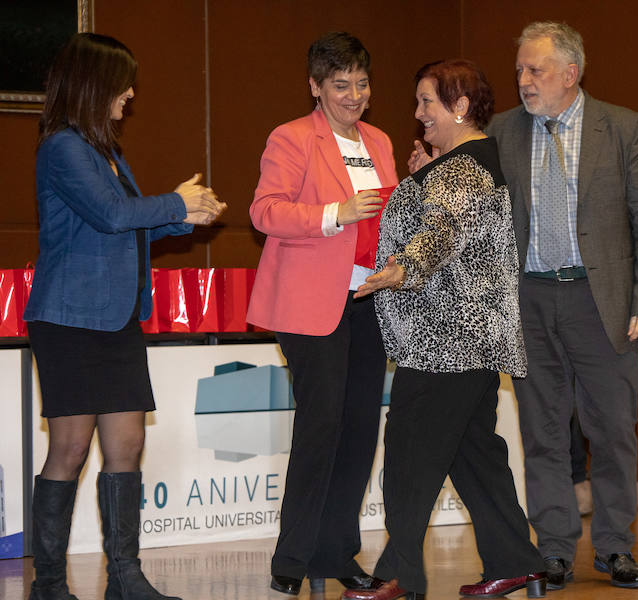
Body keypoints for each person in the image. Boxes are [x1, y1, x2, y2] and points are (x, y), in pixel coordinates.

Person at [23, 33, 225, 600]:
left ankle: (125, 577)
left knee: (128, 444)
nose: (131, 93)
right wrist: (175, 201)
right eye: (123, 83)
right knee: (69, 448)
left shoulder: (105, 152)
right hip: (68, 318)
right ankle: (52, 584)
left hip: (113, 319)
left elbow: (130, 225)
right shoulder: (62, 147)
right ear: (95, 85)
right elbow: (112, 216)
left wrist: (187, 217)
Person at [345, 59, 546, 600]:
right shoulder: (462, 162)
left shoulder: (462, 169)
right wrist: (420, 176)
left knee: (409, 455)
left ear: (459, 107)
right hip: (469, 344)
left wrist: (404, 266)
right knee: (473, 456)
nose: (417, 114)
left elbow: (440, 232)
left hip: (446, 345)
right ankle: (516, 561)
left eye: (427, 102)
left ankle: (398, 577)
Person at [485, 22, 638, 589]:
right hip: (530, 298)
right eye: (519, 69)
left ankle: (615, 547)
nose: (522, 80)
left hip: (602, 303)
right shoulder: (501, 132)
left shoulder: (624, 129)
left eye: (534, 70)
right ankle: (556, 549)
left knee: (611, 429)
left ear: (571, 73)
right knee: (542, 432)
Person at [246, 31, 399, 596]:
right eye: (341, 86)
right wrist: (336, 212)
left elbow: (392, 213)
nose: (354, 96)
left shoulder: (379, 141)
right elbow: (265, 211)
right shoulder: (291, 139)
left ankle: (337, 551)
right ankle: (294, 555)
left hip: (368, 301)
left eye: (361, 84)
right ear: (315, 87)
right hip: (311, 306)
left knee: (360, 429)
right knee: (321, 426)